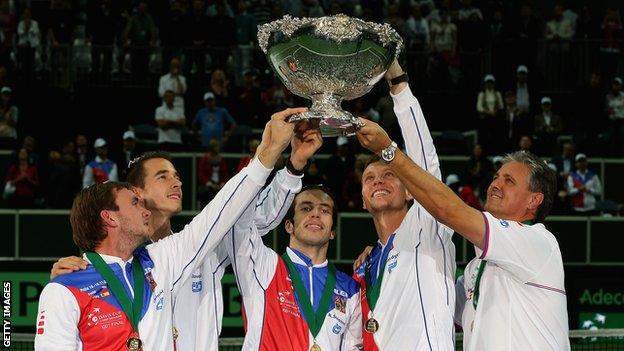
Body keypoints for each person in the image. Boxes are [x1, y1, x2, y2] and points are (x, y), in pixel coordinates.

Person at [37, 108, 306, 350]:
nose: (177, 183)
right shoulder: (72, 284)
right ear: (115, 213)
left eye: (177, 176)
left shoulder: (163, 259)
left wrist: (271, 156)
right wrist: (65, 284)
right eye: (163, 177)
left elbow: (230, 214)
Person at [355, 120, 569, 350]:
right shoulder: (474, 270)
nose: (496, 184)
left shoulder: (538, 243)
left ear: (534, 200)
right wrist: (384, 255)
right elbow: (432, 291)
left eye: (509, 181)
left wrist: (389, 150)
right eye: (496, 177)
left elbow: (448, 211)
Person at [352, 61, 456, 350]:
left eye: (389, 175)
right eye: (369, 178)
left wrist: (398, 85)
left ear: (411, 191)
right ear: (362, 199)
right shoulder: (368, 263)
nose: (378, 181)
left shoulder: (426, 226)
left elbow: (426, 166)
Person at [228, 182, 362, 350]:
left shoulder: (350, 289)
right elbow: (238, 218)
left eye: (325, 210)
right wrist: (291, 172)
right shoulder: (265, 266)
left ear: (333, 231)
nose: (315, 214)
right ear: (289, 225)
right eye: (306, 208)